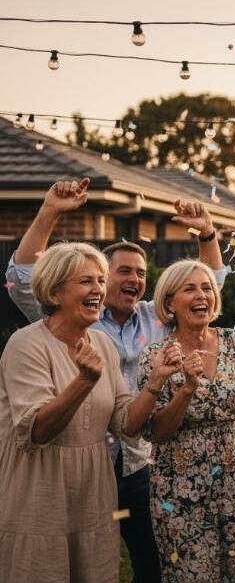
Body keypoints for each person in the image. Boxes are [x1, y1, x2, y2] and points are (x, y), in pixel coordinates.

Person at [5, 178, 227, 582]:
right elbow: (22, 275)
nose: (130, 280)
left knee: (144, 563)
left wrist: (207, 233)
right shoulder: (35, 338)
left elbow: (209, 286)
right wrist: (51, 210)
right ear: (56, 292)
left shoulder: (149, 321)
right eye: (115, 273)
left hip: (128, 469)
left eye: (139, 273)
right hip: (46, 479)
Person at [0, 242, 156, 582]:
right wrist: (84, 381)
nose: (98, 290)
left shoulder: (101, 345)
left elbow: (126, 423)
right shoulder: (26, 345)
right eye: (86, 281)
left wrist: (157, 382)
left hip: (93, 491)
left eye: (101, 280)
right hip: (39, 486)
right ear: (55, 293)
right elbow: (36, 430)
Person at [124, 259, 235, 581]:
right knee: (192, 572)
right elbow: (158, 433)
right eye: (190, 288)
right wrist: (187, 390)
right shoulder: (157, 355)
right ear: (170, 302)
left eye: (207, 287)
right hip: (179, 481)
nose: (202, 295)